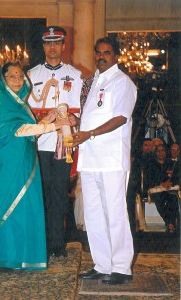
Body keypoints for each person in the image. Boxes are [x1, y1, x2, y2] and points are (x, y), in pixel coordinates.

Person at [0, 61, 68, 270]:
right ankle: (6, 259)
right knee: (9, 206)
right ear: (3, 79)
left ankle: (25, 257)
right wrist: (53, 125)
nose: (18, 80)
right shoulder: (1, 102)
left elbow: (28, 130)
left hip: (25, 161)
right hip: (8, 164)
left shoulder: (19, 103)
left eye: (20, 76)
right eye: (12, 76)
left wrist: (46, 119)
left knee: (26, 207)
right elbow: (17, 131)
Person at [70, 37, 137, 285]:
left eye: (106, 53)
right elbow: (89, 118)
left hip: (111, 159)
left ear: (116, 56)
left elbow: (120, 117)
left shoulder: (123, 83)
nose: (101, 57)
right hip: (89, 159)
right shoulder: (93, 81)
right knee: (94, 215)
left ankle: (121, 267)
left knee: (115, 213)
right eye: (98, 52)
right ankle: (102, 264)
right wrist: (77, 128)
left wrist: (90, 133)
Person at [28, 26, 83, 258]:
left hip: (63, 144)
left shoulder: (76, 75)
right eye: (48, 42)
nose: (52, 47)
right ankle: (39, 243)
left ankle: (57, 244)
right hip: (39, 145)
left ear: (63, 45)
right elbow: (26, 111)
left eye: (56, 42)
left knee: (59, 194)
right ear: (43, 46)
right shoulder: (31, 75)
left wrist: (75, 118)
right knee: (39, 194)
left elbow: (82, 109)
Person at [148, 144, 180, 233]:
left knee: (173, 199)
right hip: (156, 190)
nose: (161, 152)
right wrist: (161, 183)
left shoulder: (170, 163)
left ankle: (172, 223)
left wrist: (170, 183)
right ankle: (170, 223)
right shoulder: (151, 164)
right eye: (158, 151)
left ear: (166, 152)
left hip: (169, 189)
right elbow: (149, 180)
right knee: (159, 199)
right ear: (155, 153)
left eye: (163, 150)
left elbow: (176, 177)